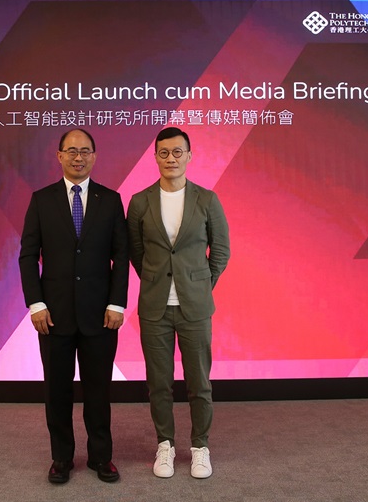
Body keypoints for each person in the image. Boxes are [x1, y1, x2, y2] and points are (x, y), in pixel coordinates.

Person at [18, 128, 128, 484]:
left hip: (101, 315)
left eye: (85, 151)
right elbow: (27, 257)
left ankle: (101, 457)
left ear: (94, 156)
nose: (78, 157)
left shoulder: (110, 200)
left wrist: (117, 304)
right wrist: (36, 304)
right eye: (71, 151)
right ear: (59, 156)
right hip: (53, 314)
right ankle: (61, 458)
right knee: (57, 390)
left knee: (99, 391)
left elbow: (121, 257)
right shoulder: (41, 199)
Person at [127, 127, 230, 479]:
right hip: (155, 308)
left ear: (189, 155)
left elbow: (220, 252)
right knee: (159, 382)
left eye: (177, 152)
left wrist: (199, 284)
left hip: (195, 308)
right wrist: (158, 282)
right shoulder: (140, 202)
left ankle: (200, 446)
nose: (171, 158)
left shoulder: (207, 200)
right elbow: (136, 252)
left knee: (199, 383)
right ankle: (165, 445)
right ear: (155, 157)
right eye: (164, 153)